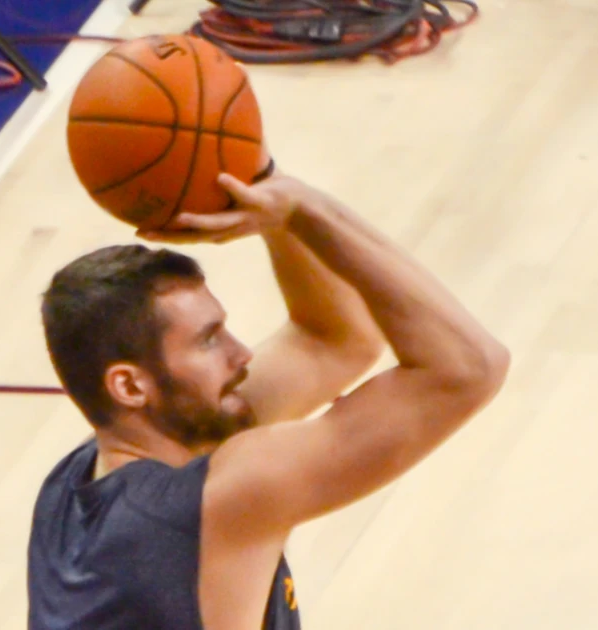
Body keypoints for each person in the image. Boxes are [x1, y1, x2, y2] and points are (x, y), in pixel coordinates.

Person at [27, 168, 510, 630]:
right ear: (130, 386)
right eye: (209, 340)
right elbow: (470, 366)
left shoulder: (78, 479)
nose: (241, 353)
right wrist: (305, 210)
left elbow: (332, 342)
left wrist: (263, 190)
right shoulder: (215, 502)